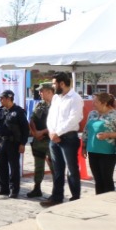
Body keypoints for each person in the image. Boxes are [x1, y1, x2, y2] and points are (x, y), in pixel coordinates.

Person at [41, 72, 84, 208]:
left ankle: (75, 198)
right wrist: (51, 132)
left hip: (68, 138)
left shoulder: (75, 98)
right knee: (57, 169)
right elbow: (51, 117)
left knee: (71, 170)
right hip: (54, 138)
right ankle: (57, 197)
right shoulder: (56, 98)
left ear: (62, 83)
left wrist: (58, 132)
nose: (53, 86)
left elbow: (74, 119)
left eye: (54, 84)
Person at [81, 92, 116, 195]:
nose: (93, 104)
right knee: (97, 179)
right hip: (92, 150)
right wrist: (84, 146)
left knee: (106, 178)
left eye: (95, 102)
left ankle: (109, 200)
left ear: (104, 103)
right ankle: (99, 199)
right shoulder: (92, 114)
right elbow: (86, 130)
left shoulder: (114, 115)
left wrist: (108, 134)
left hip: (108, 152)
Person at [28, 82, 55, 198]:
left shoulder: (57, 105)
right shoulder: (40, 104)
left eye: (41, 91)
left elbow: (57, 123)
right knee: (38, 166)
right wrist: (35, 133)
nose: (39, 93)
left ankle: (56, 191)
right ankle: (37, 188)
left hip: (51, 140)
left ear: (49, 91)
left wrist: (42, 132)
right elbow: (32, 119)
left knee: (54, 167)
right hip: (39, 141)